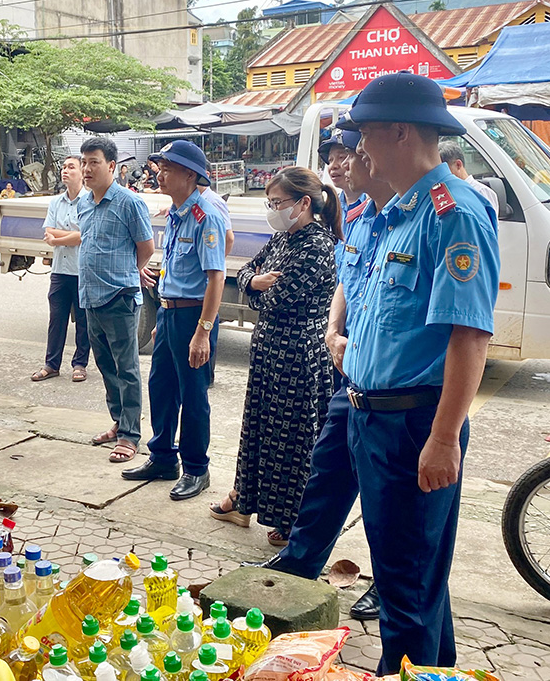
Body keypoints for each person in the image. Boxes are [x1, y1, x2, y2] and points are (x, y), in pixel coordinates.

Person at [336, 72, 499, 673]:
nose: (359, 151)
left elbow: (469, 336)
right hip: (373, 419)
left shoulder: (451, 214)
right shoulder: (391, 214)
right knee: (417, 581)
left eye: (365, 137)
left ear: (399, 132)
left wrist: (443, 437)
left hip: (415, 428)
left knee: (404, 592)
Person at [249, 129, 397, 623]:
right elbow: (346, 285)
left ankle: (391, 588)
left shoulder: (437, 216)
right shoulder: (363, 219)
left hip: (398, 393)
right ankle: (298, 565)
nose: (344, 165)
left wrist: (443, 431)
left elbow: (468, 333)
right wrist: (334, 329)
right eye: (337, 157)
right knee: (327, 476)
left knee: (391, 506)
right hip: (350, 376)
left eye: (352, 154)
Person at [209, 166, 339, 542]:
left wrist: (256, 286)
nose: (272, 209)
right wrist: (254, 280)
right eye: (270, 202)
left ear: (303, 203)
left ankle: (290, 519)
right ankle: (242, 499)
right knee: (258, 429)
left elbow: (275, 300)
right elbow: (247, 271)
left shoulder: (316, 246)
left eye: (278, 202)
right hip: (269, 353)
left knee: (293, 439)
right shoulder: (283, 238)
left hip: (297, 357)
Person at [122, 141, 227, 500]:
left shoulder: (205, 215)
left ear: (190, 175)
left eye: (168, 168)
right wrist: (163, 315)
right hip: (170, 313)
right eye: (160, 166)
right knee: (161, 388)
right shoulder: (176, 212)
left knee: (193, 395)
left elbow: (216, 278)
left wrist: (203, 331)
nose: (160, 174)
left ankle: (197, 468)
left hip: (193, 317)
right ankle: (163, 457)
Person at [78, 137, 155, 463]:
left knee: (127, 369)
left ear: (111, 166)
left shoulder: (129, 202)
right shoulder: (84, 203)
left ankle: (130, 435)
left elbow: (146, 248)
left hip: (119, 296)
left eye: (93, 162)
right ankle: (118, 421)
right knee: (105, 364)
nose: (86, 169)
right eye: (83, 162)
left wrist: (126, 272)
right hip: (90, 297)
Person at [33, 156, 90, 383]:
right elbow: (48, 230)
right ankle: (51, 364)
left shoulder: (89, 201)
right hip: (60, 269)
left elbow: (83, 235)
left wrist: (58, 239)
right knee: (57, 318)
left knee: (83, 320)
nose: (65, 171)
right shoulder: (56, 202)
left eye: (71, 167)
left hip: (81, 269)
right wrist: (67, 237)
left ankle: (80, 364)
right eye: (63, 167)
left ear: (81, 171)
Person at [439, 140, 500, 213]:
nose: (441, 175)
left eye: (444, 170)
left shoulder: (481, 192)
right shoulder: (443, 195)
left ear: (458, 165)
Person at [320, 131, 362, 213]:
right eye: (330, 160)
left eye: (341, 157)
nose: (333, 166)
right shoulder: (331, 209)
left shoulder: (375, 205)